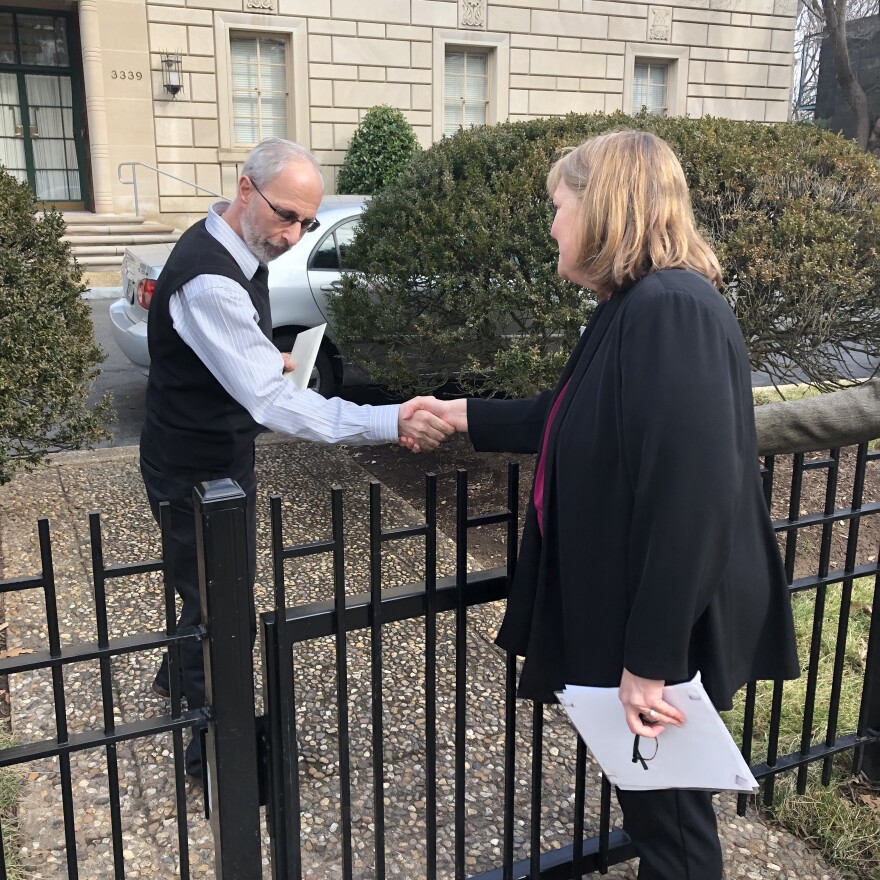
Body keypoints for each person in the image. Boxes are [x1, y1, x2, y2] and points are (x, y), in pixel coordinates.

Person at [402, 130, 800, 879]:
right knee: (660, 815)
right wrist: (461, 414)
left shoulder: (672, 309)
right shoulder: (636, 306)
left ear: (603, 206)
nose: (551, 225)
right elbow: (574, 413)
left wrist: (649, 664)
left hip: (659, 635)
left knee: (674, 832)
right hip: (639, 622)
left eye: (559, 205)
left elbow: (693, 496)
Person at [140, 138, 453, 784]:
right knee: (221, 610)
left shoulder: (227, 242)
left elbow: (232, 359)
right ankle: (213, 754)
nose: (295, 234)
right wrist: (386, 419)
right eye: (288, 216)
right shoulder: (208, 275)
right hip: (192, 469)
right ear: (245, 189)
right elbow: (274, 405)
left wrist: (268, 356)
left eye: (308, 223)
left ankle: (176, 676)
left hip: (219, 458)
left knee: (204, 589)